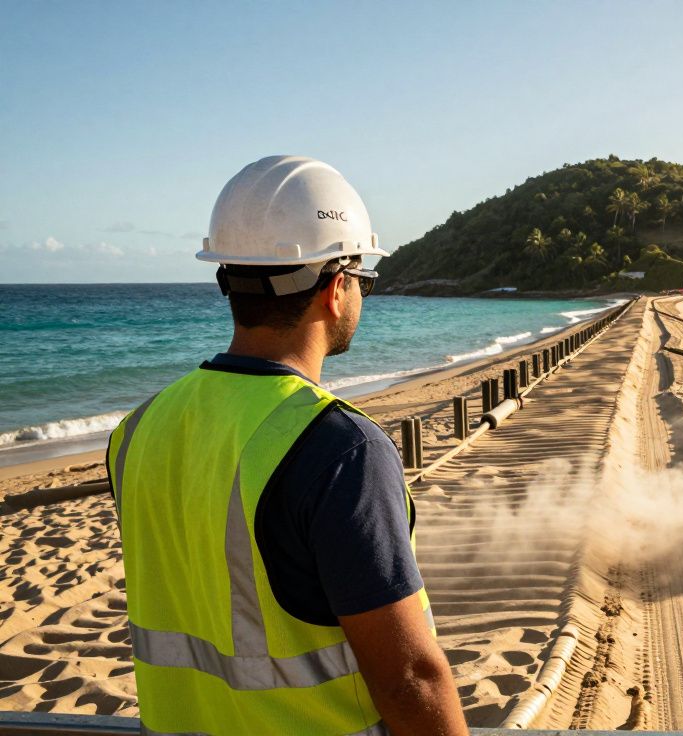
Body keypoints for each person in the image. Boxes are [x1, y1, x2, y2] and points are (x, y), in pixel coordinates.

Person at [106, 155, 469, 736]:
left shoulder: (137, 429)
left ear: (229, 280)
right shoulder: (339, 448)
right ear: (335, 286)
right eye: (364, 281)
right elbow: (409, 679)